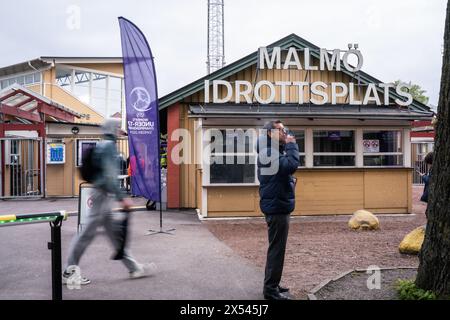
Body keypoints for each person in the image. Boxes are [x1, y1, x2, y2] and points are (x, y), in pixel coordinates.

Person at [62, 118, 156, 286]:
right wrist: (122, 198)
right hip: (101, 195)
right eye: (119, 128)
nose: (120, 131)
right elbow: (110, 177)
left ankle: (134, 268)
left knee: (114, 235)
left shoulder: (103, 144)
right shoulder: (108, 147)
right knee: (85, 235)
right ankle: (69, 272)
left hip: (102, 195)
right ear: (113, 129)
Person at [257, 120, 299, 300]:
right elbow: (290, 165)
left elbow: (283, 171)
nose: (284, 132)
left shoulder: (272, 150)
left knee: (276, 248)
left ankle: (272, 284)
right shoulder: (269, 151)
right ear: (269, 134)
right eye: (280, 130)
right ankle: (270, 291)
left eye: (284, 130)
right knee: (276, 250)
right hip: (277, 207)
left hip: (277, 204)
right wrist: (292, 145)